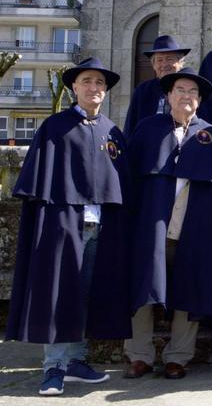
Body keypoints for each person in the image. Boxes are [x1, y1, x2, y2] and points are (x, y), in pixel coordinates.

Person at [6, 57, 131, 396]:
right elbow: (40, 181)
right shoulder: (56, 126)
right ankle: (54, 368)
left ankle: (76, 360)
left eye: (100, 84)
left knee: (87, 294)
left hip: (100, 226)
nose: (94, 88)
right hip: (63, 223)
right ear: (74, 87)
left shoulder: (111, 131)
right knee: (59, 292)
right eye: (87, 82)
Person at [123, 68, 212, 381]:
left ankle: (178, 356)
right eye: (180, 90)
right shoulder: (147, 129)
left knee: (187, 291)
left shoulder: (211, 134)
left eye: (193, 91)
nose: (186, 96)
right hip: (152, 224)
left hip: (193, 227)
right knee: (142, 287)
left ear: (200, 100)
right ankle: (139, 355)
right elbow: (130, 178)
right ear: (167, 96)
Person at [124, 35, 190, 136]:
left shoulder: (191, 89)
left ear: (180, 62)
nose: (164, 64)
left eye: (169, 59)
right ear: (153, 65)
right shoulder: (143, 91)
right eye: (159, 60)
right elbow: (130, 127)